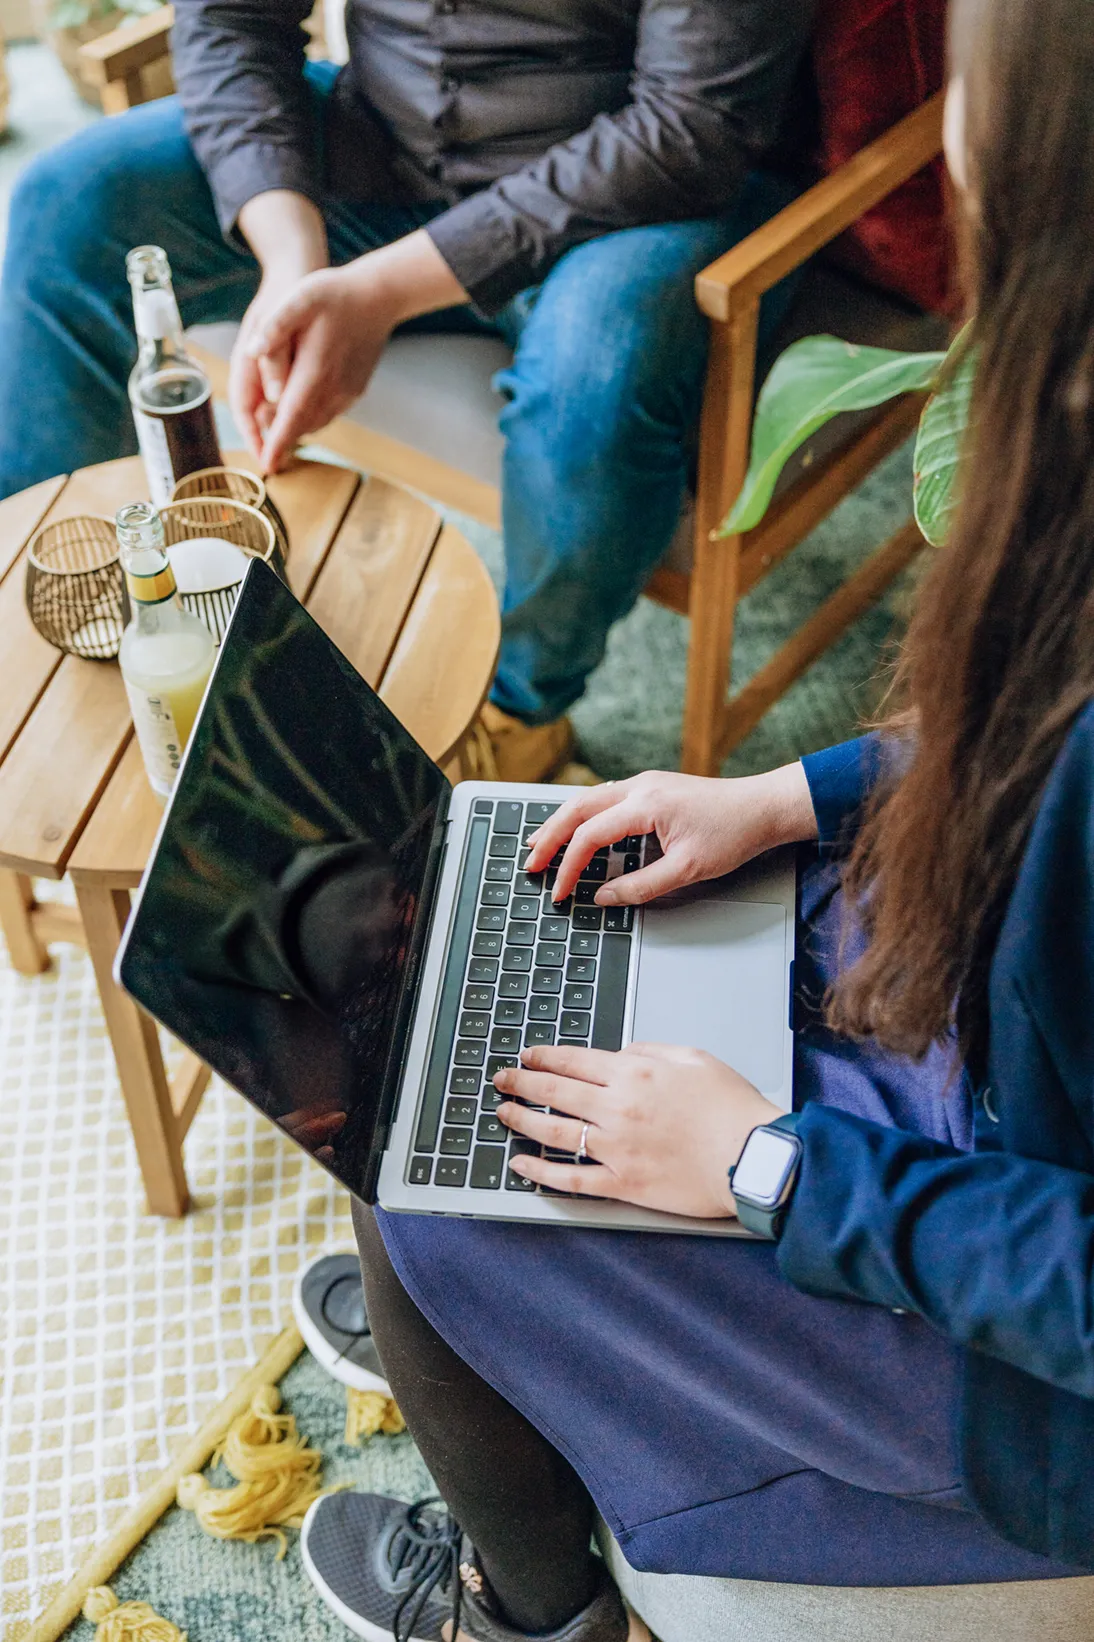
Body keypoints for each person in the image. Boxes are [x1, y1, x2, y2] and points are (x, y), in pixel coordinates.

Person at [291, 0, 1094, 1637]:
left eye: (966, 84)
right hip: (981, 1054)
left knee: (409, 1131)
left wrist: (758, 1164)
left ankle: (527, 1607)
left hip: (1001, 1326)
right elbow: (1031, 739)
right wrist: (782, 796)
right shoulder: (1067, 452)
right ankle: (509, 1339)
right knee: (490, 945)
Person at [0, 0, 814, 782]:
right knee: (68, 202)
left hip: (634, 197)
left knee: (594, 377)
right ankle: (76, 626)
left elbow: (691, 127)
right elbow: (232, 17)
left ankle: (526, 707)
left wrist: (381, 293)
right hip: (379, 145)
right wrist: (294, 261)